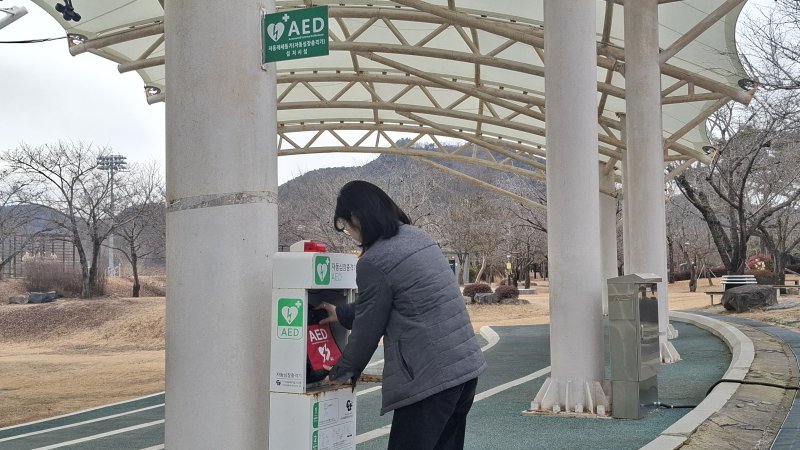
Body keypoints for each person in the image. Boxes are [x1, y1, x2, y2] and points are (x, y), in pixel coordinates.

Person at [319, 180, 486, 450]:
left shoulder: (375, 259)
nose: (349, 233)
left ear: (356, 218)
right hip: (463, 370)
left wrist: (341, 372)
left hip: (429, 378)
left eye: (345, 226)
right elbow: (394, 301)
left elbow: (368, 330)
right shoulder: (417, 236)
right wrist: (340, 313)